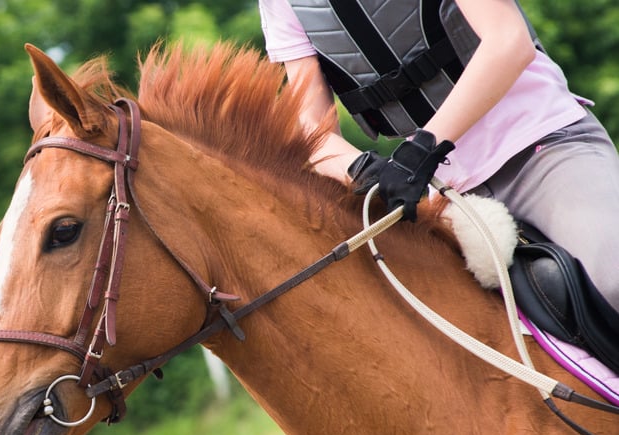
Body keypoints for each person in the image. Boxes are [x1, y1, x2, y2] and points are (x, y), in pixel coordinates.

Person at [258, 0, 619, 313]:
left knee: (614, 281)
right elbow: (312, 131)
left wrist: (421, 150)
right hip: (443, 198)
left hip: (541, 146)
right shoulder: (281, 4)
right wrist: (367, 171)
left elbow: (508, 41)